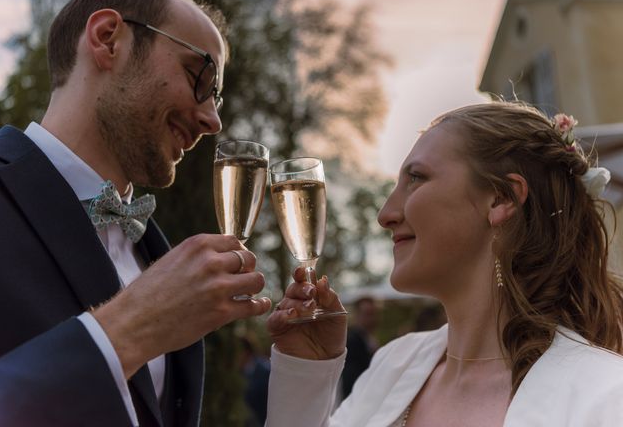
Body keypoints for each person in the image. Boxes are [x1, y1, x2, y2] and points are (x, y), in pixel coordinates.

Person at [0, 0, 271, 426]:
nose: (213, 119)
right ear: (107, 40)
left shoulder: (158, 252)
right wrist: (128, 330)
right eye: (200, 77)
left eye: (216, 97)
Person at [265, 102, 623, 426]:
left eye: (416, 178)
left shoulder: (605, 395)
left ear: (501, 198)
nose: (386, 214)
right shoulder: (393, 367)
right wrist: (305, 371)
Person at [341, 296, 379, 399]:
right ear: (357, 315)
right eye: (368, 314)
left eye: (373, 314)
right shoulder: (351, 339)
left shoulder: (367, 337)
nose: (372, 319)